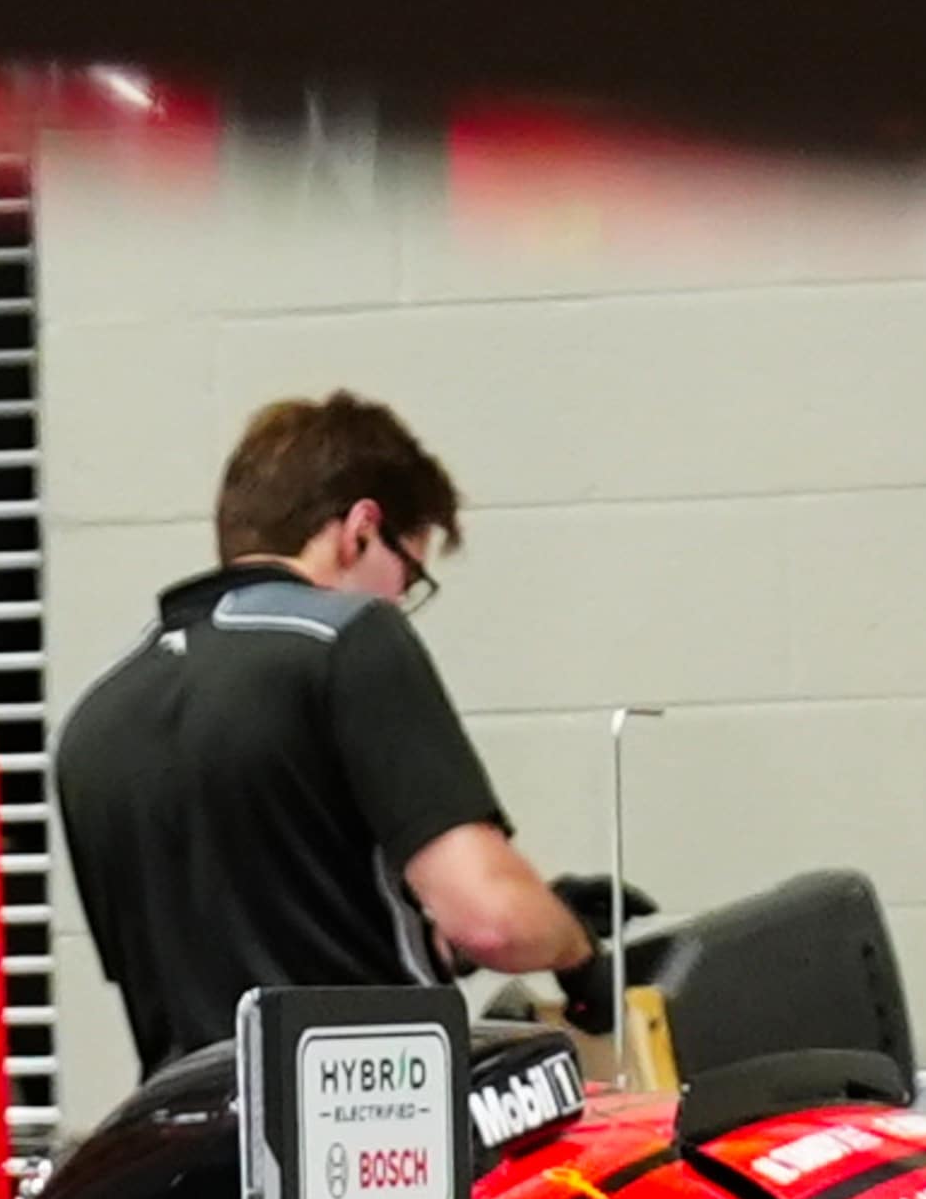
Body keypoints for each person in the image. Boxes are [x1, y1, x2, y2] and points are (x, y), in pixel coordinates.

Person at [52, 390, 588, 1073]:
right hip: (363, 1121)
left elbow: (259, 944)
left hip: (186, 1126)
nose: (399, 600)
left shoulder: (96, 717)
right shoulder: (345, 638)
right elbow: (494, 921)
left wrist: (440, 943)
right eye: (408, 573)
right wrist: (575, 943)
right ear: (360, 529)